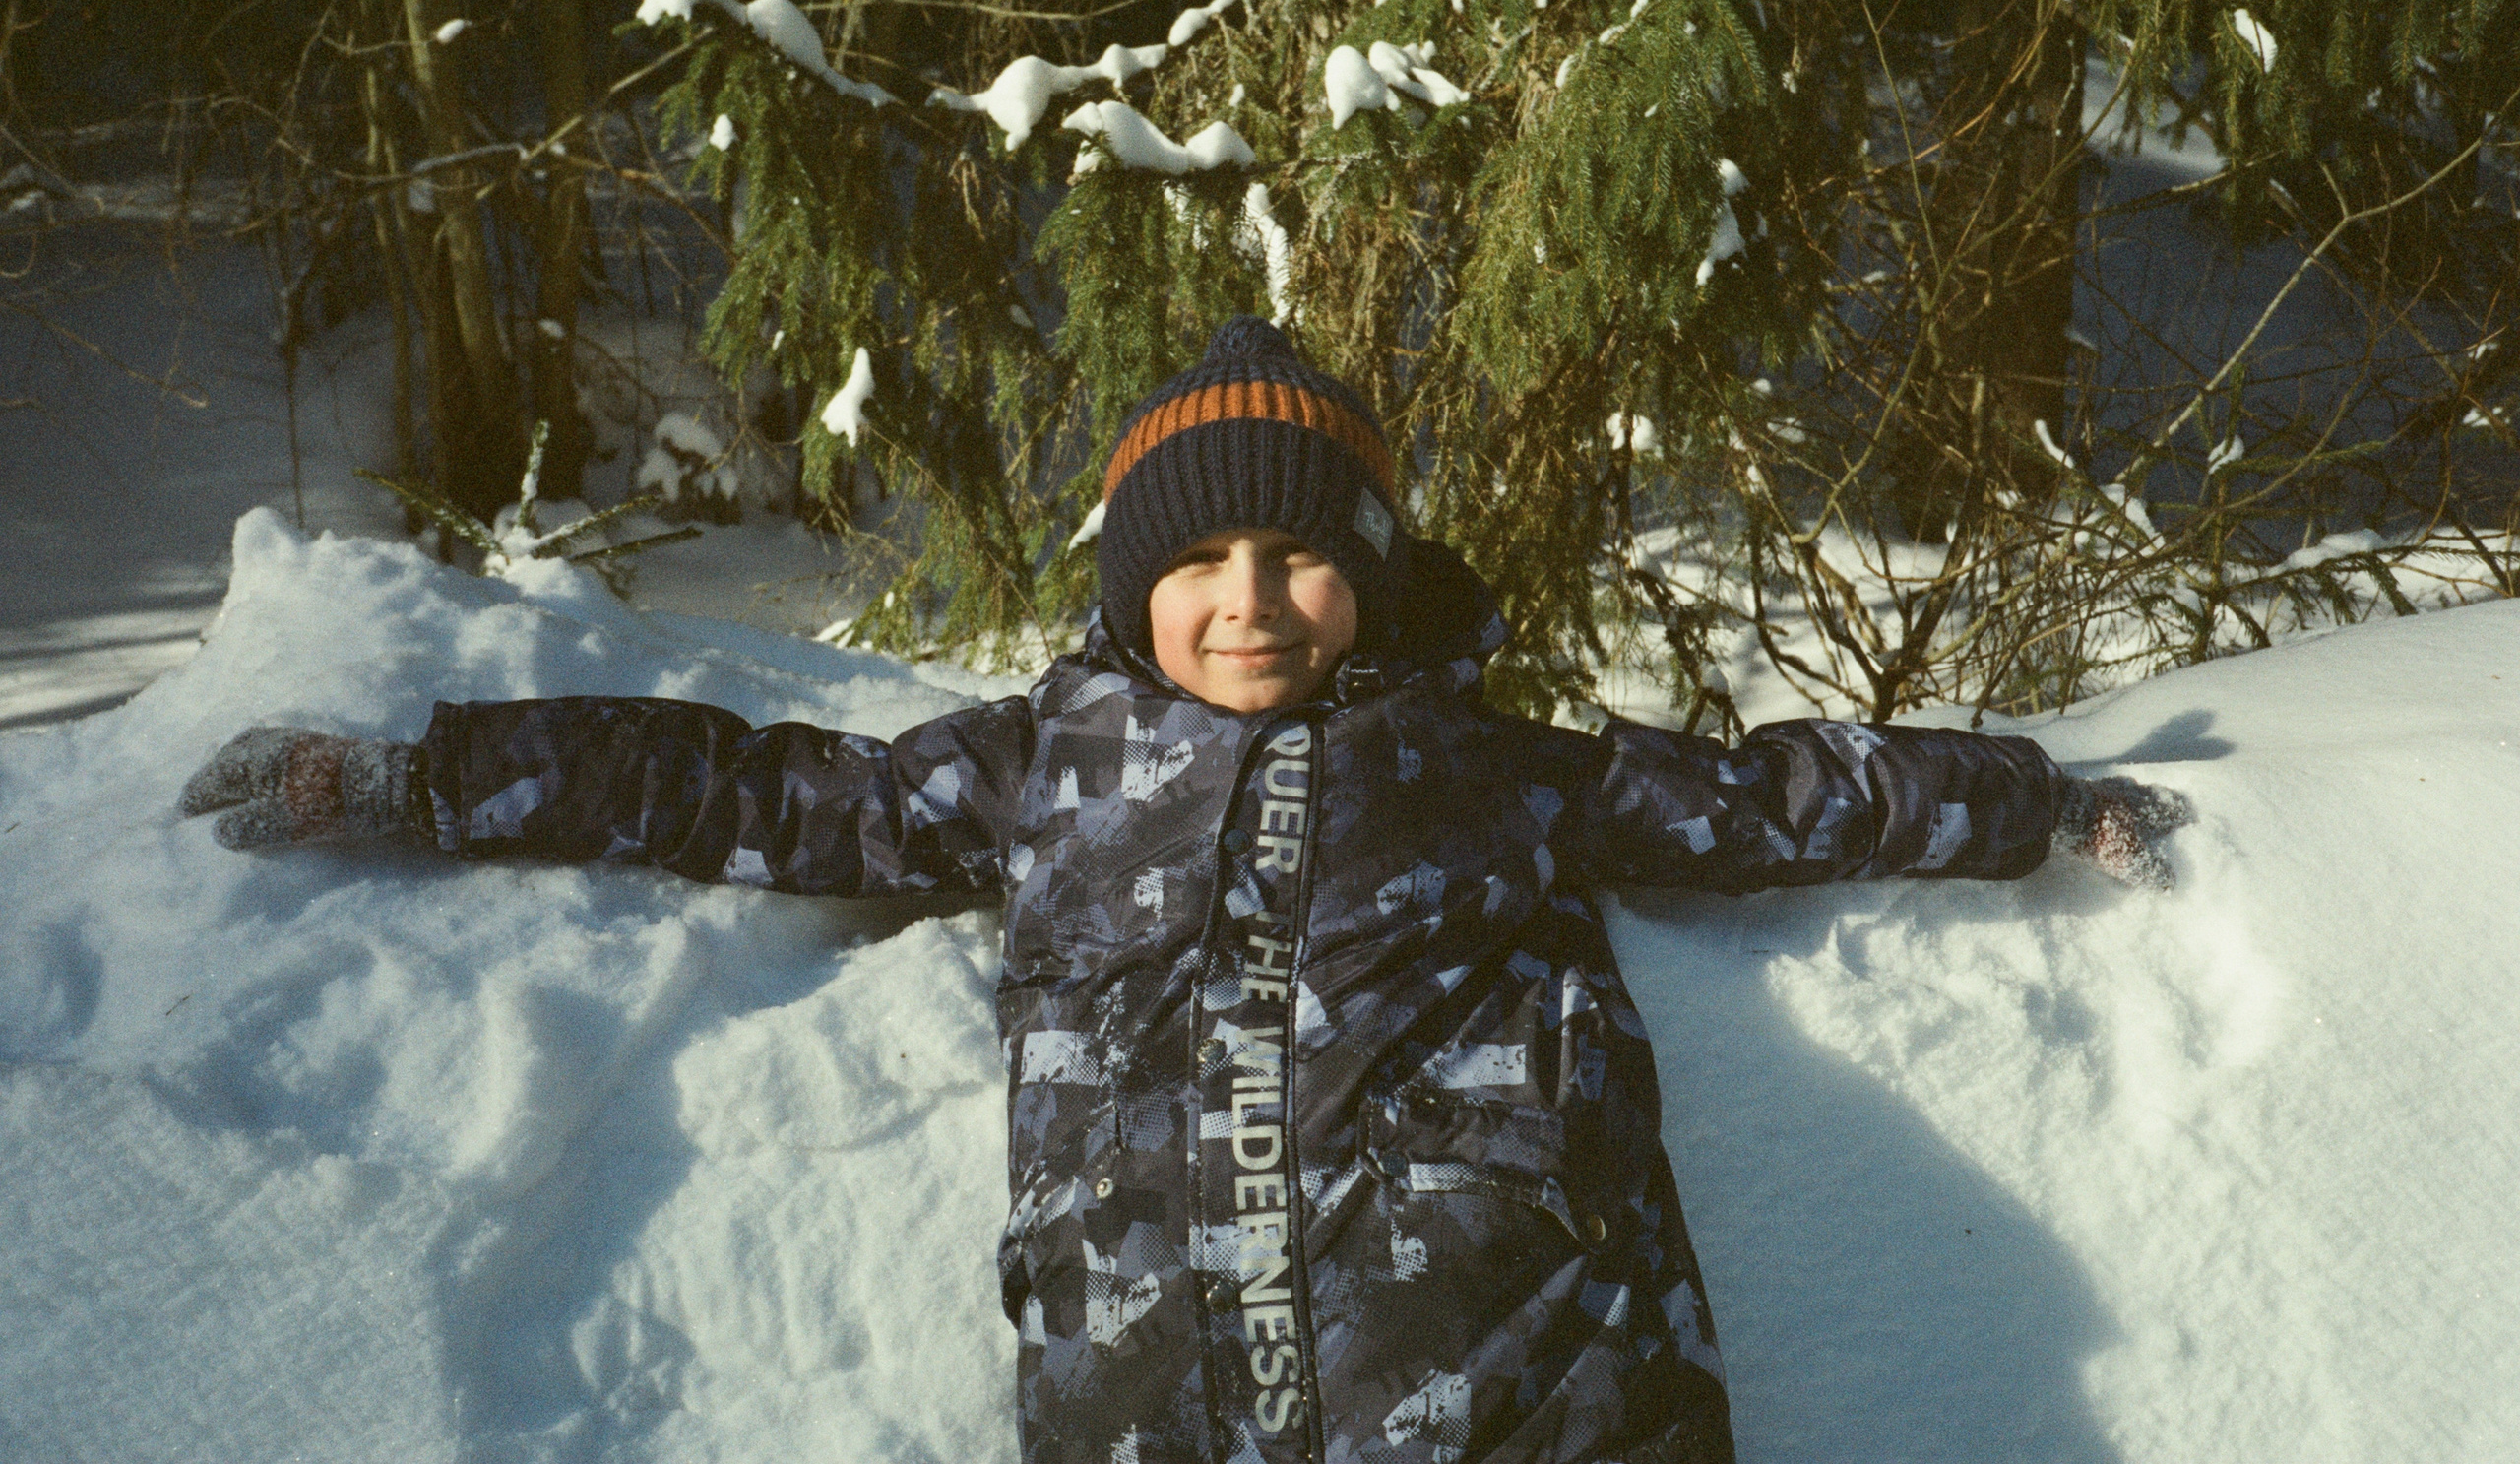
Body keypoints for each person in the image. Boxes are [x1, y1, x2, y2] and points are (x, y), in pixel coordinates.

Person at [179, 317, 2190, 1464]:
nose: (1246, 603)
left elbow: (1774, 801)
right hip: (1153, 1419)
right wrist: (424, 775)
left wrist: (2021, 802)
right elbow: (760, 791)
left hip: (1527, 1408)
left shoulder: (1487, 766)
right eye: (1198, 563)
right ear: (1130, 583)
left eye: (1301, 561)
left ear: (1369, 580)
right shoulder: (1037, 770)